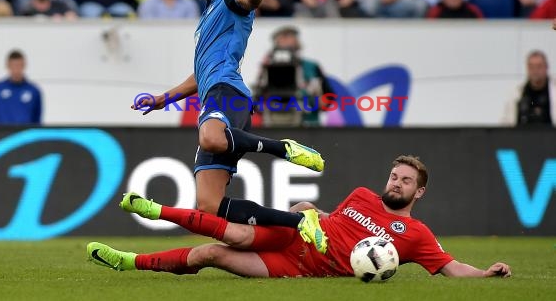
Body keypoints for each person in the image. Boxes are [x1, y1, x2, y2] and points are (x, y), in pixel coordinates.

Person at [131, 0, 327, 252]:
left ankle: (282, 148)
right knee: (208, 205)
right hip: (212, 93)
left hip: (228, 93)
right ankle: (301, 221)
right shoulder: (209, 13)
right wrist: (162, 100)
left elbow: (250, 0)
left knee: (211, 138)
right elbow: (200, 74)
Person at [87, 155, 512, 279]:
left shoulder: (415, 234)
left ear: (419, 192)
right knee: (233, 234)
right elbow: (336, 219)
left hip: (299, 269)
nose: (396, 183)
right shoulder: (362, 196)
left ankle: (130, 261)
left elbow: (451, 266)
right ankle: (151, 217)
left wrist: (487, 275)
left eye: (405, 181)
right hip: (296, 239)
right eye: (394, 175)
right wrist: (313, 211)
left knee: (207, 255)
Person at [255, 26, 333, 126]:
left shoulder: (311, 66)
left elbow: (328, 96)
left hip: (308, 123)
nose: (286, 42)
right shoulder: (267, 67)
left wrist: (318, 101)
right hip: (275, 122)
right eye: (283, 38)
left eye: (289, 37)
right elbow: (257, 97)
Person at [0, 50, 43, 124]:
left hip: (23, 134)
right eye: (14, 65)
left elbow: (37, 118)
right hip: (2, 133)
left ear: (24, 65)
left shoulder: (34, 91)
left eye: (19, 65)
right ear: (8, 65)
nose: (16, 69)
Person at [502, 50, 556, 126]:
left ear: (546, 67)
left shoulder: (553, 91)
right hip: (520, 136)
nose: (535, 70)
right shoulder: (517, 93)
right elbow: (506, 123)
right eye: (531, 67)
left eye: (539, 66)